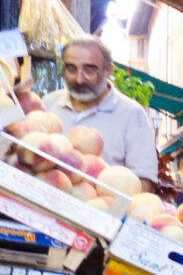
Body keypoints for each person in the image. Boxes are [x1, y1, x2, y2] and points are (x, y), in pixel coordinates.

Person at [42, 35, 158, 190]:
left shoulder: (131, 115)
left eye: (89, 70)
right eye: (71, 69)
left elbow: (144, 183)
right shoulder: (48, 104)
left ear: (108, 70)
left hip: (103, 205)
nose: (79, 79)